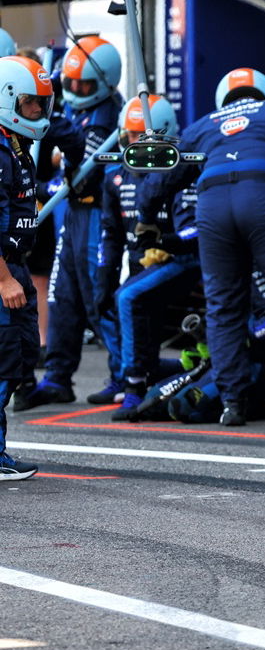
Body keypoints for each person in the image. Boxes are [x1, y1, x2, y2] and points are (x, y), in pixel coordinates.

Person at [137, 67, 265, 426]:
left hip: (212, 206)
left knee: (223, 306)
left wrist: (146, 219)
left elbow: (160, 179)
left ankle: (232, 402)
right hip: (264, 198)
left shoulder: (201, 126)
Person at [15, 36, 124, 411]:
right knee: (62, 297)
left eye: (84, 85)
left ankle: (125, 376)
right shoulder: (74, 110)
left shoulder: (108, 114)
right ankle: (58, 377)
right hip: (74, 215)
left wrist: (38, 185)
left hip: (97, 214)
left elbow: (85, 176)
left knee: (98, 296)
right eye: (71, 83)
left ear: (104, 80)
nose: (76, 90)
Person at [94, 95, 203, 421]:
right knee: (105, 297)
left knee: (128, 297)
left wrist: (166, 243)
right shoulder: (114, 177)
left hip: (182, 260)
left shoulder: (182, 172)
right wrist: (104, 274)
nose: (134, 143)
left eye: (141, 136)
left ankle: (133, 387)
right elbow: (110, 234)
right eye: (129, 135)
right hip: (139, 264)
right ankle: (139, 373)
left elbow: (195, 232)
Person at [0, 56, 57, 479]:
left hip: (16, 266)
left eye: (41, 102)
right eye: (29, 103)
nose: (37, 110)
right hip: (3, 272)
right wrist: (4, 279)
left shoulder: (17, 146)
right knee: (3, 363)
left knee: (21, 359)